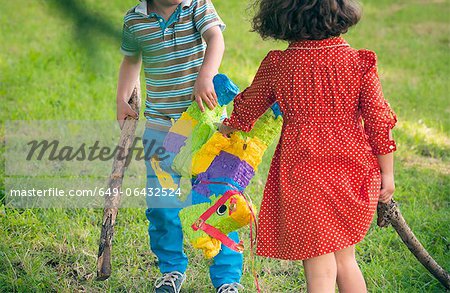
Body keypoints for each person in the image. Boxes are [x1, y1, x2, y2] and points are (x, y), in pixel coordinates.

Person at [219, 0, 397, 292]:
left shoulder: (279, 64)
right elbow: (379, 122)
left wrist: (227, 126)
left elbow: (248, 108)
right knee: (345, 261)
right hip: (351, 172)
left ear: (281, 16)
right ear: (341, 12)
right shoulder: (358, 62)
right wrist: (387, 174)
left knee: (320, 270)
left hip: (304, 174)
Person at [116, 0, 243, 292]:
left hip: (205, 127)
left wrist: (206, 75)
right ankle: (171, 268)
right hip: (162, 130)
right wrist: (122, 98)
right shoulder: (135, 21)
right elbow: (132, 60)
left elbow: (215, 37)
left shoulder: (197, 5)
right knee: (161, 204)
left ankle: (227, 278)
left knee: (220, 199)